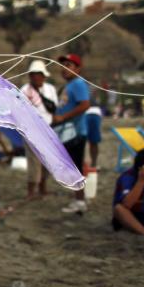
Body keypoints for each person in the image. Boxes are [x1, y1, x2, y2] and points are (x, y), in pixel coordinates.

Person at [53, 54, 90, 214]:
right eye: (63, 65)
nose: (64, 69)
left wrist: (63, 117)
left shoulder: (78, 84)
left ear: (78, 69)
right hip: (68, 132)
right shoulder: (69, 86)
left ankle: (80, 201)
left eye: (69, 65)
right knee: (72, 166)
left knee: (75, 167)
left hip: (75, 132)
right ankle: (79, 198)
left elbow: (85, 105)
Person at [19, 60, 58, 199]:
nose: (36, 77)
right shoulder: (24, 90)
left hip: (48, 130)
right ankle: (31, 192)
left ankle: (43, 188)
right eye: (34, 74)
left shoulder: (50, 89)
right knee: (33, 161)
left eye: (39, 74)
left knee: (47, 161)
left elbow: (53, 109)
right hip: (31, 131)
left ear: (44, 76)